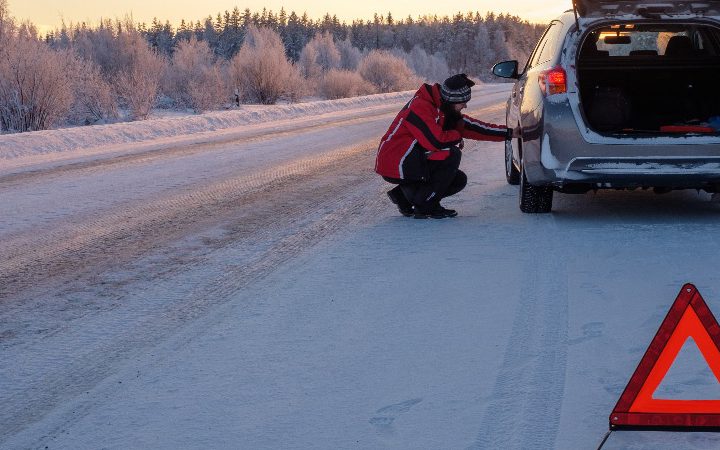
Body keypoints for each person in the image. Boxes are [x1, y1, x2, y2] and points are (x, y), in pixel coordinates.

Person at [375, 74, 509, 219]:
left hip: (409, 159)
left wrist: (510, 133)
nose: (465, 105)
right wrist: (456, 136)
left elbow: (472, 127)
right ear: (452, 100)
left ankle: (403, 197)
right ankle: (426, 206)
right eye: (463, 102)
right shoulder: (421, 106)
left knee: (458, 180)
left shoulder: (442, 108)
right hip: (396, 161)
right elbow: (436, 141)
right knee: (452, 154)